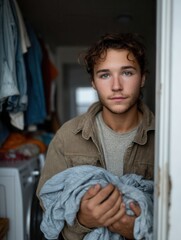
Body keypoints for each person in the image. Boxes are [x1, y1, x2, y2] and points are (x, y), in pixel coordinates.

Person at [37, 32, 155, 240]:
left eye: (127, 73)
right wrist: (82, 221)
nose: (116, 86)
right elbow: (49, 214)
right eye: (105, 75)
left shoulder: (168, 139)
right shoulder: (67, 136)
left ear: (143, 78)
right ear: (93, 82)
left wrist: (142, 234)